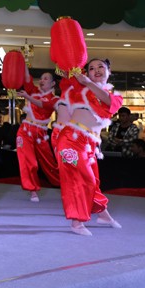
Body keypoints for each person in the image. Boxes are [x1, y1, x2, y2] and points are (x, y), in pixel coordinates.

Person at [57, 58, 122, 236]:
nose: (96, 70)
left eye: (101, 67)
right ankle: (76, 221)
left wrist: (86, 81)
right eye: (91, 68)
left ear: (109, 71)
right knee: (81, 179)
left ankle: (103, 214)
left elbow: (107, 101)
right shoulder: (80, 87)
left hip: (90, 144)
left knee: (93, 181)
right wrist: (67, 69)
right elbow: (65, 70)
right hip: (70, 139)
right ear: (87, 73)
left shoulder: (116, 97)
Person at [16, 70, 61, 202]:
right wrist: (23, 63)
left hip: (41, 133)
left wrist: (28, 97)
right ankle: (33, 190)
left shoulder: (55, 99)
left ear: (53, 83)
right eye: (41, 78)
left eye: (46, 78)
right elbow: (26, 77)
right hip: (25, 131)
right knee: (29, 161)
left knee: (50, 163)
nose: (42, 80)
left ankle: (65, 183)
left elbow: (43, 105)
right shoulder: (33, 91)